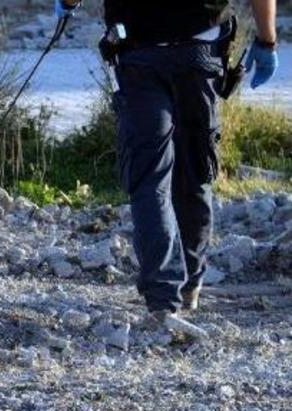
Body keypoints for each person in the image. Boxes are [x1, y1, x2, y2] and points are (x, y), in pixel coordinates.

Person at [55, 0, 278, 334]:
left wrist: (66, 5)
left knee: (150, 179)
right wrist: (266, 40)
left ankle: (162, 298)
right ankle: (190, 284)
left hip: (138, 53)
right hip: (202, 51)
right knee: (195, 169)